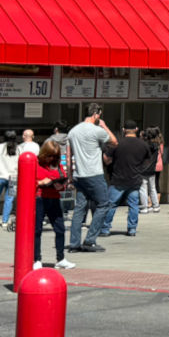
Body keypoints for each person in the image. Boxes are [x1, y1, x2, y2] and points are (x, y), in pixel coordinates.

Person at [66, 104, 118, 252]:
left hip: (79, 175)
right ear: (96, 114)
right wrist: (104, 126)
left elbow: (69, 157)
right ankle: (90, 240)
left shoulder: (72, 132)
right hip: (94, 174)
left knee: (79, 209)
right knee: (104, 204)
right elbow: (114, 142)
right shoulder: (97, 131)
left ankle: (74, 244)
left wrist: (70, 177)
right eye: (99, 115)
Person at [101, 121, 154, 238]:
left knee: (111, 204)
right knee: (133, 205)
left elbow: (106, 158)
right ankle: (132, 229)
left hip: (118, 179)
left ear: (124, 129)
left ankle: (105, 229)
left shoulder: (117, 143)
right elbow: (148, 161)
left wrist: (109, 162)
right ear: (136, 129)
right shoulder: (143, 144)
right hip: (134, 179)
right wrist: (139, 169)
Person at [31, 140, 73, 270]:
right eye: (50, 156)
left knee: (60, 228)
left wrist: (62, 185)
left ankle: (60, 258)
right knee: (37, 230)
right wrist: (40, 182)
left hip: (54, 197)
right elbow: (28, 182)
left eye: (55, 156)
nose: (52, 159)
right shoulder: (35, 164)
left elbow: (63, 178)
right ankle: (36, 259)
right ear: (44, 154)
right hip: (39, 198)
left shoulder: (57, 165)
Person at [141, 128, 166, 214]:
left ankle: (145, 207)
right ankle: (156, 206)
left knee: (143, 189)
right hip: (152, 169)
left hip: (144, 169)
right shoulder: (157, 145)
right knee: (153, 188)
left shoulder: (145, 145)